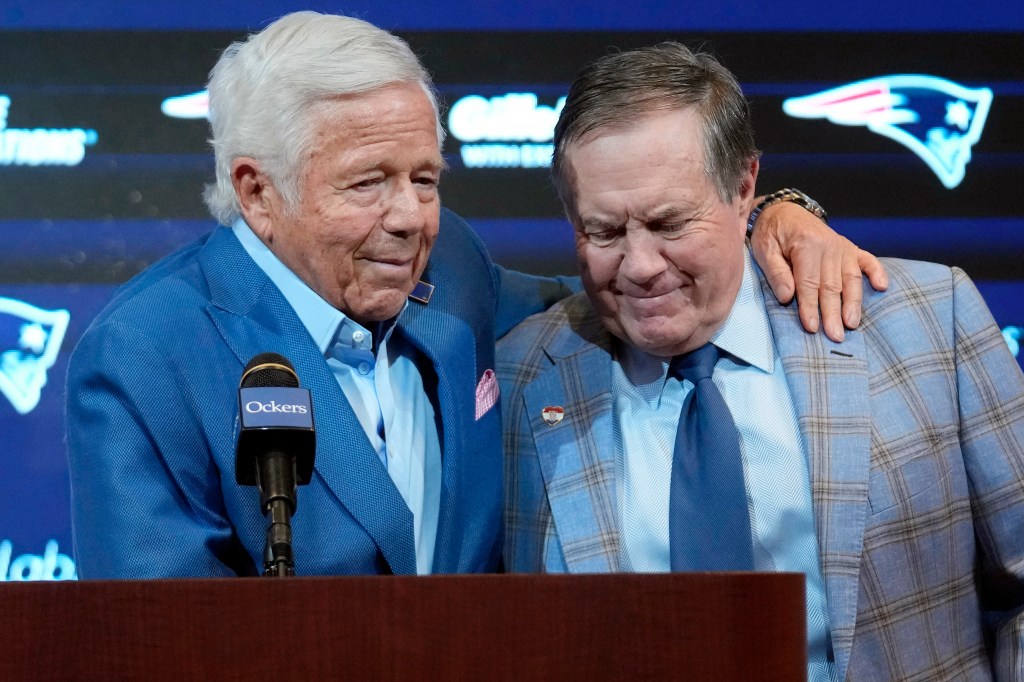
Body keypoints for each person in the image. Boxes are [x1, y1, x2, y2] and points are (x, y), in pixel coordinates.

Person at [66, 13, 880, 580]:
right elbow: (156, 639)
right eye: (368, 183)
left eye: (424, 178)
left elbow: (636, 289)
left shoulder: (451, 263)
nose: (409, 218)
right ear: (257, 192)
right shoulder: (145, 357)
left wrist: (773, 215)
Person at [497, 42, 1024, 681]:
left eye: (669, 223)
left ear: (745, 187)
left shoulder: (928, 321)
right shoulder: (523, 374)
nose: (638, 266)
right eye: (602, 232)